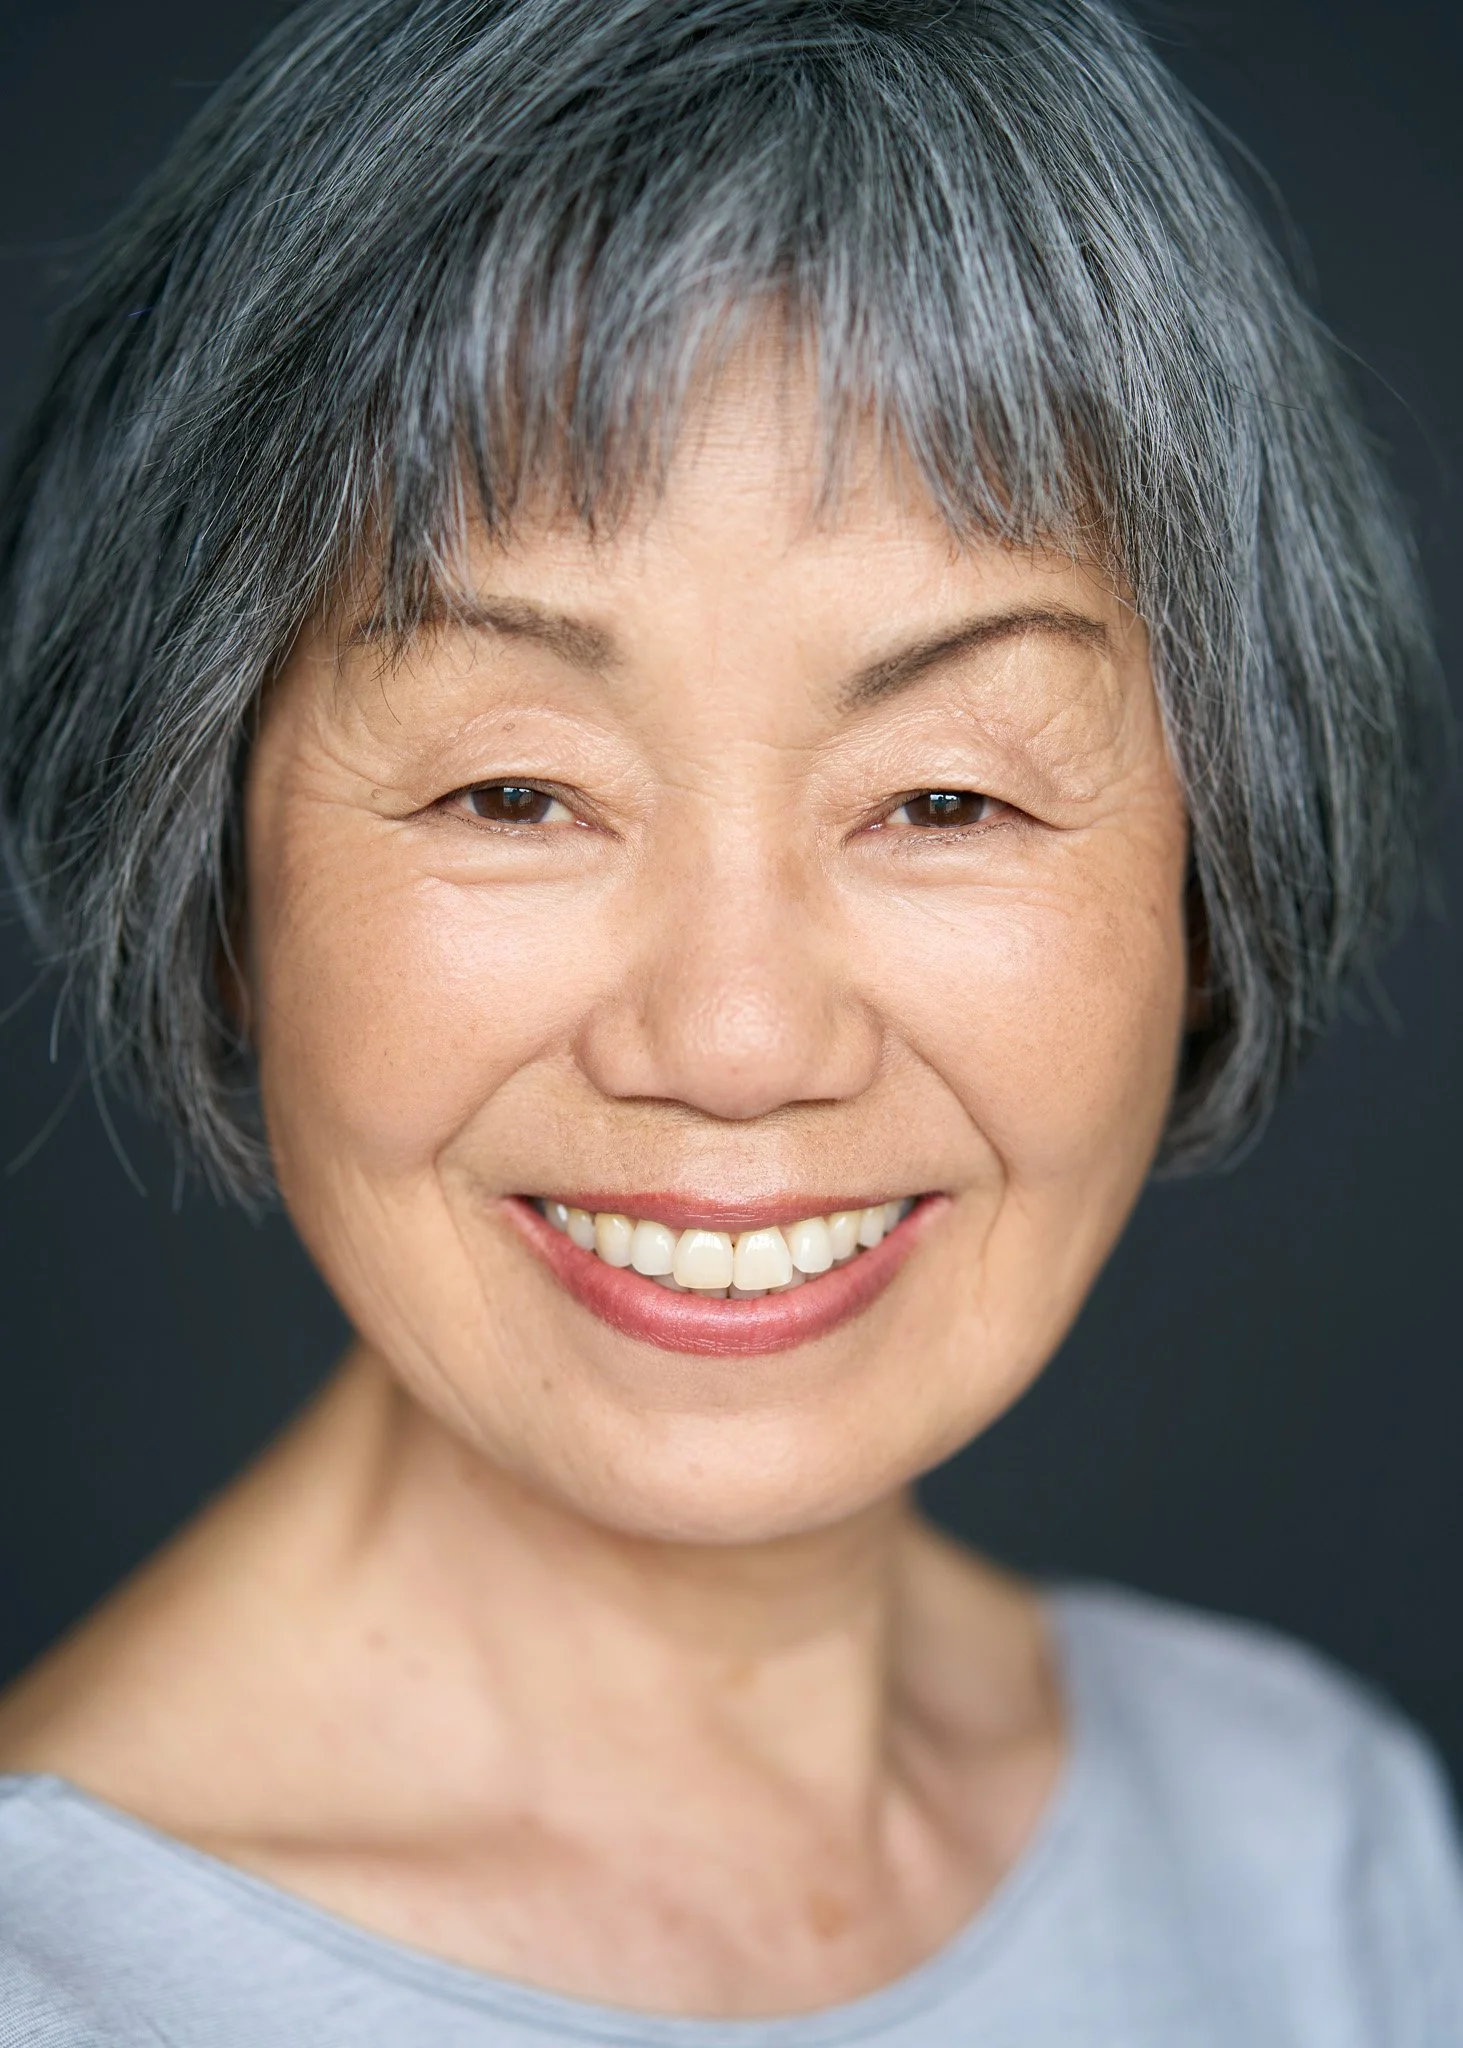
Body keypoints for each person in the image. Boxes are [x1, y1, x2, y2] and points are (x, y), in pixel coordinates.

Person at [0, 0, 1459, 2040]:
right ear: (217, 866)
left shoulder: (1312, 1852)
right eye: (514, 791)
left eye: (941, 799)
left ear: (1209, 877)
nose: (737, 1035)